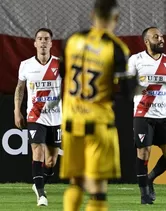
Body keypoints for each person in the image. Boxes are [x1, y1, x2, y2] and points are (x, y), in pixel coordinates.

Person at [58, 0, 131, 210]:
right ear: (116, 18)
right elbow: (127, 93)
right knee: (98, 190)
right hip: (97, 124)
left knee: (76, 181)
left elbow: (63, 73)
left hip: (71, 120)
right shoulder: (115, 48)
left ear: (92, 15)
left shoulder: (72, 40)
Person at [126, 26, 166, 204]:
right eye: (156, 37)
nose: (161, 39)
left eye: (162, 36)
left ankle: (150, 178)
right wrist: (139, 87)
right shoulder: (136, 60)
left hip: (163, 115)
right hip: (142, 114)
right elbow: (127, 86)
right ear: (147, 41)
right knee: (144, 152)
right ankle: (144, 194)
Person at [14, 28, 61, 206]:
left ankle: (38, 184)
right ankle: (41, 195)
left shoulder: (60, 64)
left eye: (46, 39)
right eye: (39, 39)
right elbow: (19, 88)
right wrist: (16, 110)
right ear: (34, 43)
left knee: (51, 161)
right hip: (35, 116)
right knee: (38, 152)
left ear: (51, 43)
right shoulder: (26, 65)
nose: (42, 42)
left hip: (56, 118)